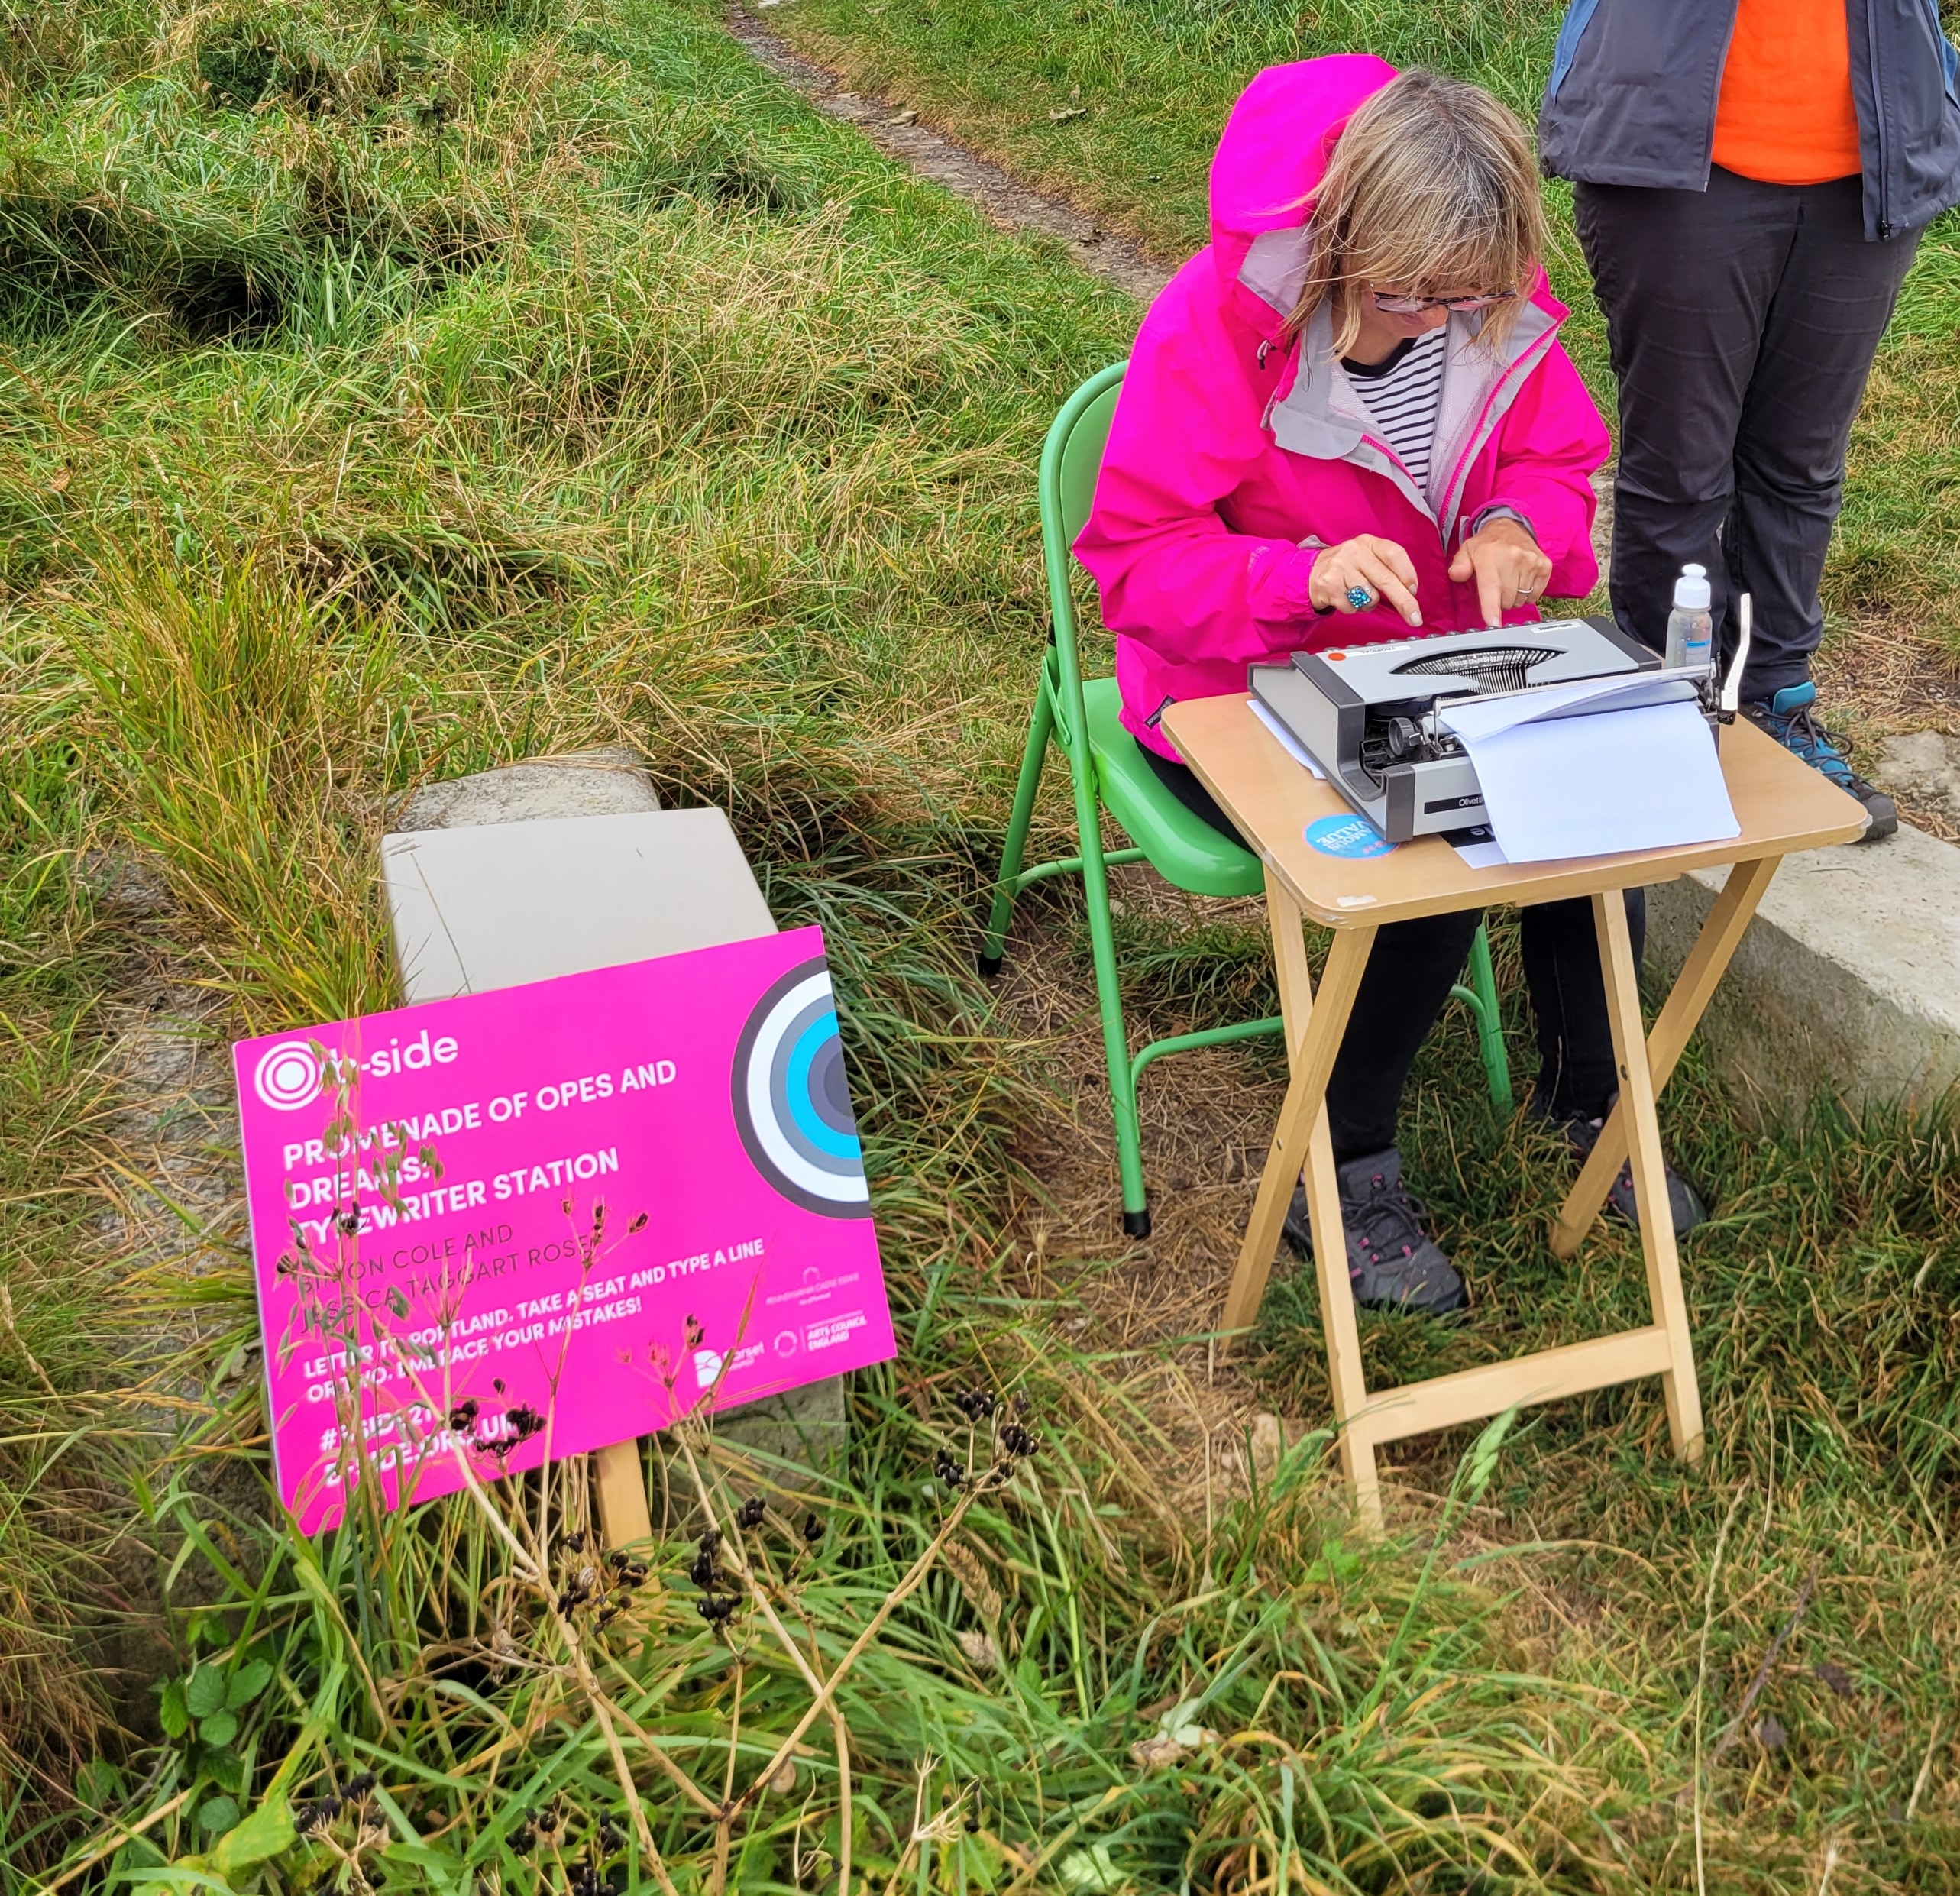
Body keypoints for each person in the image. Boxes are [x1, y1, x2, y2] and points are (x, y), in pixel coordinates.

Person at [1075, 57, 1703, 1318]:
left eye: (1466, 295)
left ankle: (1592, 1101)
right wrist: (1293, 578)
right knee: (1440, 834)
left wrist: (1523, 527)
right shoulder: (1211, 327)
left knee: (1601, 804)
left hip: (1431, 660)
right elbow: (1134, 567)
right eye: (1409, 293)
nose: (1436, 321)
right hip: (1233, 682)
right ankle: (1343, 1168)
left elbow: (1557, 459)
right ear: (1337, 234)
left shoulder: (1485, 307)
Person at [1540, 0, 1960, 843]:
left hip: (1871, 161)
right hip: (1672, 156)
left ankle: (1775, 699)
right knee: (1680, 468)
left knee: (1801, 465)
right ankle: (1668, 713)